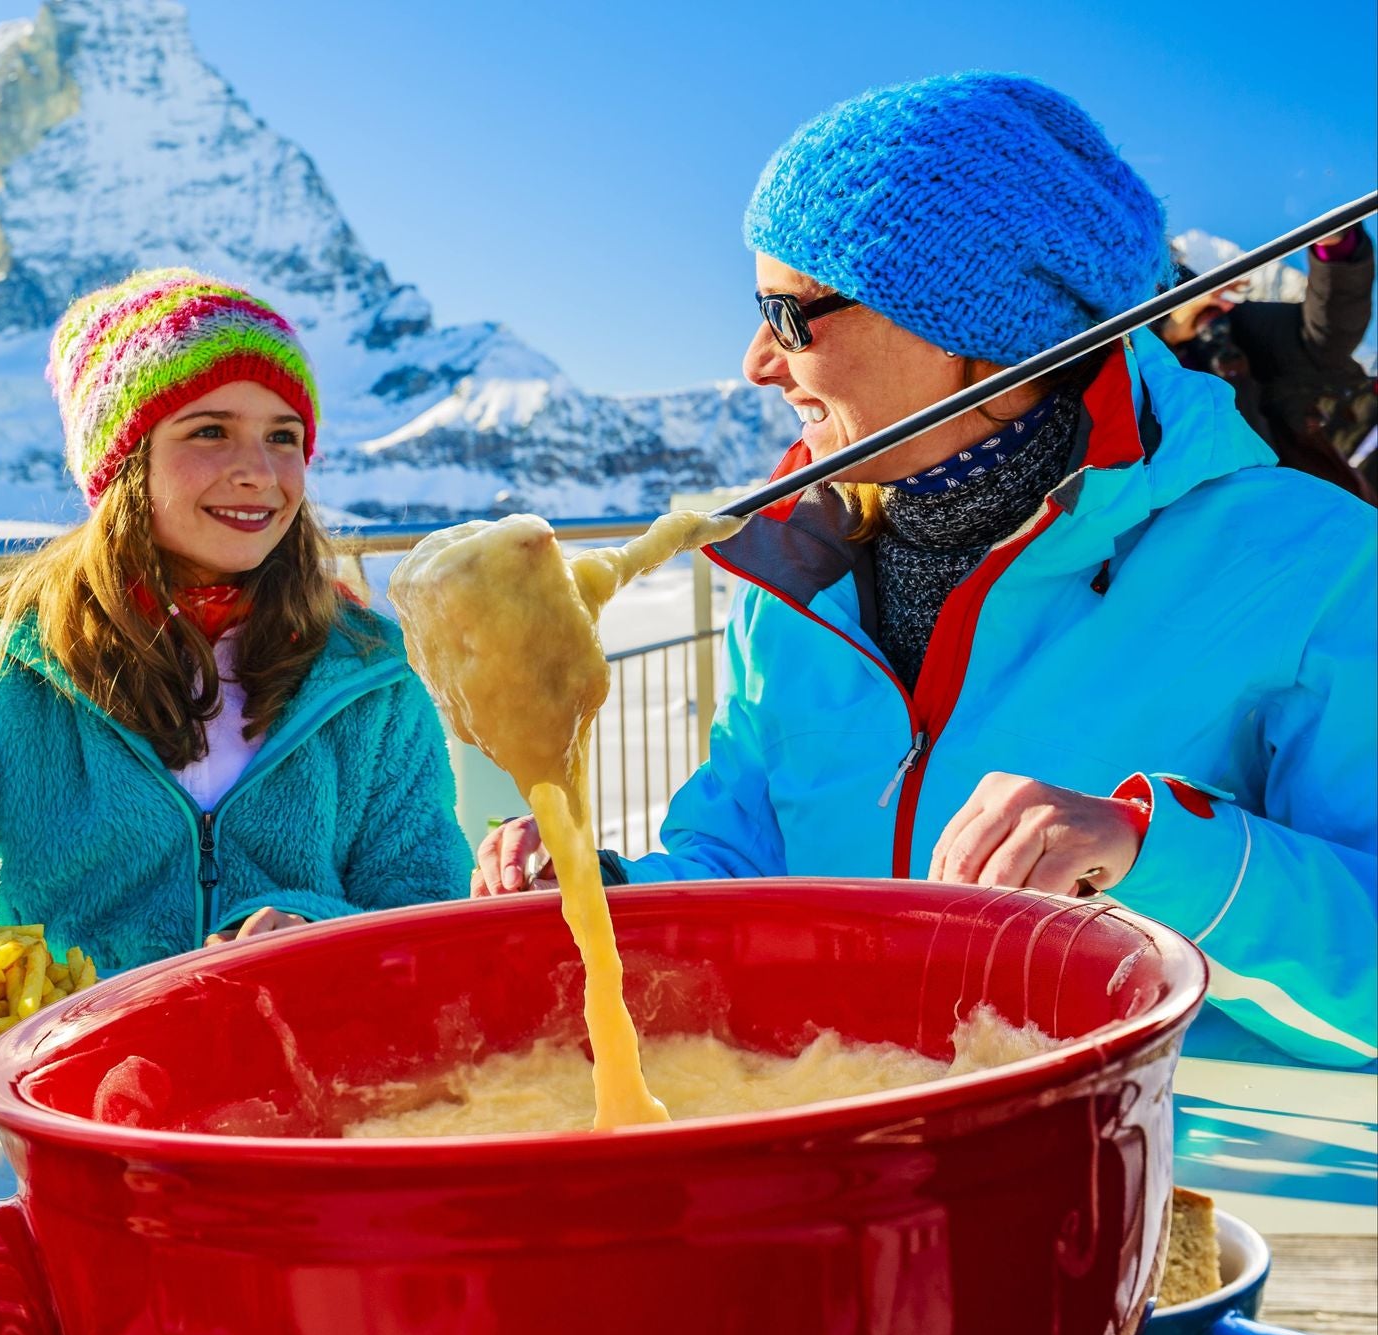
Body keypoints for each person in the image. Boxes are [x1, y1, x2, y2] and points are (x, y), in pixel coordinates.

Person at [475, 74, 1375, 1069]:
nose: (753, 364)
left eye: (788, 314)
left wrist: (1148, 852)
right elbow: (739, 860)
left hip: (1171, 1173)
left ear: (980, 332)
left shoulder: (1311, 565)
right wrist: (612, 900)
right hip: (850, 1154)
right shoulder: (795, 578)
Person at [0, 268, 471, 983]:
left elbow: (425, 921)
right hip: (78, 1080)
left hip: (309, 1069)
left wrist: (309, 933)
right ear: (125, 462)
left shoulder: (367, 672)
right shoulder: (12, 666)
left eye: (283, 436)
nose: (260, 470)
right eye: (210, 429)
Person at [1158, 224, 1376, 503]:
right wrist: (1167, 338)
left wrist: (1336, 250)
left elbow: (1322, 336)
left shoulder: (1226, 327)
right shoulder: (1125, 374)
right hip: (1245, 515)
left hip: (1328, 489)